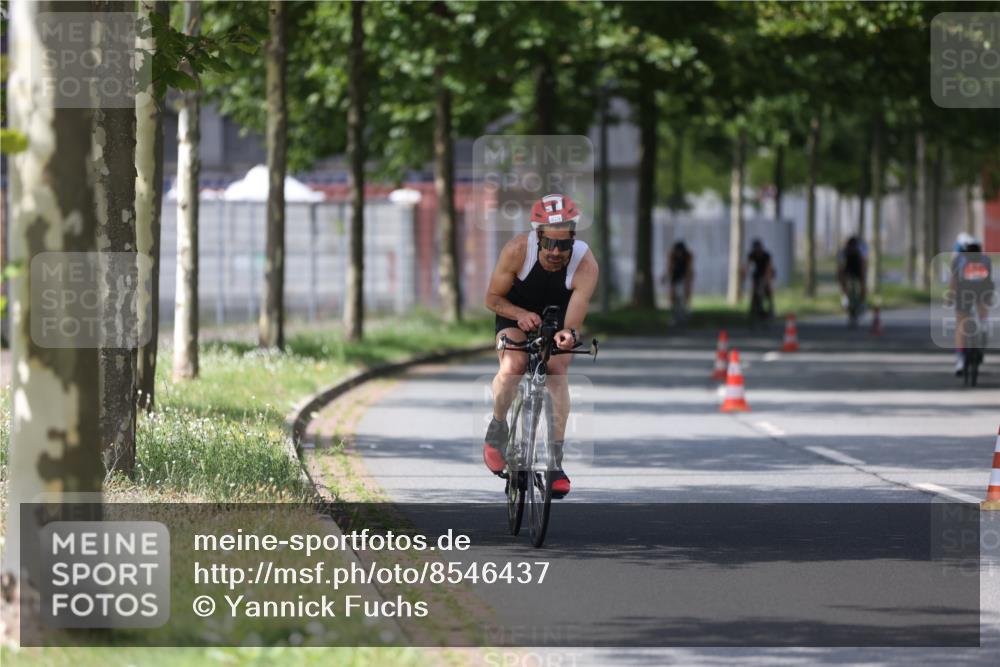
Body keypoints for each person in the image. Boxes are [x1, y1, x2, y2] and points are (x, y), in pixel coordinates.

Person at [483, 194, 599, 498]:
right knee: (513, 367)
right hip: (514, 311)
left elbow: (573, 322)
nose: (557, 252)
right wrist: (520, 314)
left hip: (557, 315)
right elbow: (492, 299)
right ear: (538, 236)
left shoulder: (585, 264)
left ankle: (554, 464)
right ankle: (497, 429)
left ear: (574, 238)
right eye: (550, 243)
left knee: (557, 372)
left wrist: (568, 335)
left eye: (564, 244)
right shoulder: (517, 250)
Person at [950, 238, 994, 375]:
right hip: (982, 290)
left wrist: (950, 297)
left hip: (964, 291)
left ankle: (960, 360)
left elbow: (954, 281)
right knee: (982, 309)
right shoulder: (985, 259)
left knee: (960, 325)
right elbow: (988, 281)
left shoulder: (958, 259)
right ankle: (983, 323)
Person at [741, 239, 774, 318]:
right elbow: (746, 266)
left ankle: (771, 309)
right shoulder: (752, 255)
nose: (757, 252)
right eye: (756, 250)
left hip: (766, 273)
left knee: (768, 292)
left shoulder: (766, 255)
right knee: (755, 291)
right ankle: (753, 310)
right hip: (757, 274)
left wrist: (768, 282)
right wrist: (743, 276)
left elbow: (769, 269)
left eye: (758, 250)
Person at [837, 236, 867, 317]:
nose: (852, 249)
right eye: (851, 248)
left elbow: (863, 265)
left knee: (863, 283)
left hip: (857, 267)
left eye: (854, 248)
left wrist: (863, 278)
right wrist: (840, 279)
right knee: (842, 280)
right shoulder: (843, 252)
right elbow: (840, 267)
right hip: (848, 268)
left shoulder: (860, 251)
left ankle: (862, 302)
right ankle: (845, 298)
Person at [664, 240, 694, 324]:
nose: (679, 253)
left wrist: (687, 281)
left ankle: (686, 311)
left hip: (684, 276)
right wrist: (666, 277)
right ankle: (674, 314)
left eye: (680, 251)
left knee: (685, 294)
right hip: (675, 276)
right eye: (677, 251)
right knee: (673, 295)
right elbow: (669, 267)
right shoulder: (671, 255)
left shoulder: (688, 255)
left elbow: (689, 268)